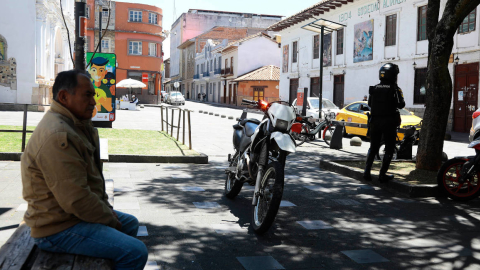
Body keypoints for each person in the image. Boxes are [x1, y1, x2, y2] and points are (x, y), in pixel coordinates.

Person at [21, 70, 148, 269]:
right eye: (87, 95)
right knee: (135, 252)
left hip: (67, 216)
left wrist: (106, 211)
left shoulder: (74, 123)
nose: (94, 102)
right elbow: (76, 199)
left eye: (94, 95)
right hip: (55, 228)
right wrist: (108, 217)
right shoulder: (59, 134)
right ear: (64, 96)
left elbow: (88, 184)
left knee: (130, 223)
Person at [363, 63, 405, 183]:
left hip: (375, 121)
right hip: (389, 122)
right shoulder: (395, 89)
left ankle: (367, 172)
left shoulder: (374, 88)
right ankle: (382, 174)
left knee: (373, 147)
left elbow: (370, 104)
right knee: (389, 149)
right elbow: (401, 104)